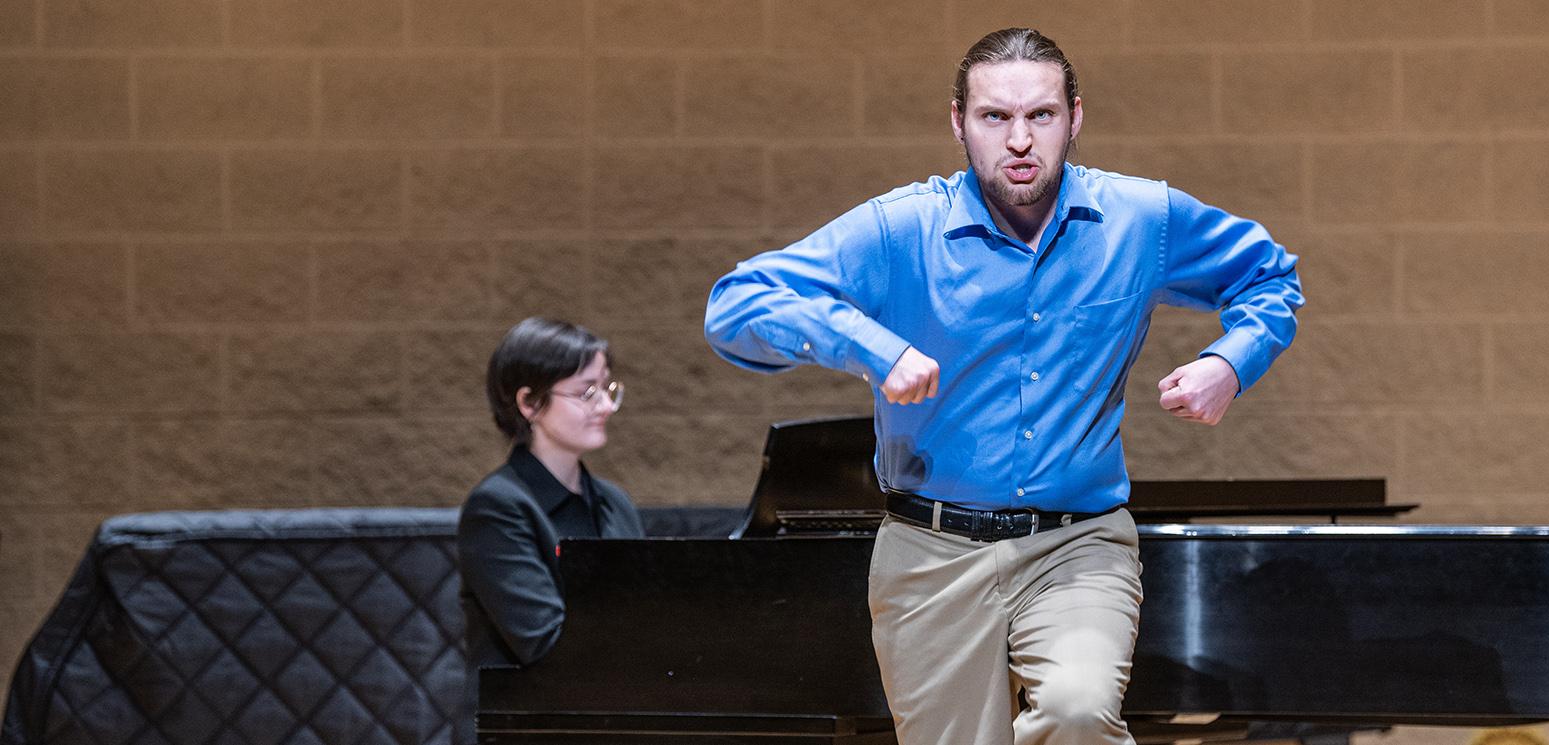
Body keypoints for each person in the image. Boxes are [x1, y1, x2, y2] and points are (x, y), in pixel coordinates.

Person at [704, 27, 1304, 745]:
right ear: (958, 123)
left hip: (1076, 544)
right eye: (995, 117)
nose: (1019, 139)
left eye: (1040, 116)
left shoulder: (1141, 220)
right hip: (929, 552)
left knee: (1077, 710)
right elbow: (736, 305)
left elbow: (1269, 277)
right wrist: (869, 344)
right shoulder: (903, 230)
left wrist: (1230, 362)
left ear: (1074, 119)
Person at [457, 318, 643, 699]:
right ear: (529, 403)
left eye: (606, 387)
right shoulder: (497, 507)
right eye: (586, 392)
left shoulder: (615, 502)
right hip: (524, 722)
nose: (605, 405)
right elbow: (545, 643)